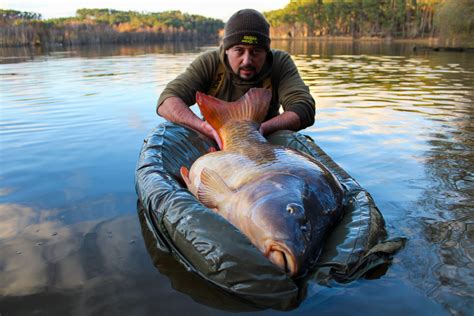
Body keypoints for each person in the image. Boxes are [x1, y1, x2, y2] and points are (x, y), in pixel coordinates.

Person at [156, 9, 315, 148]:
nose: (247, 61)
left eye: (256, 51)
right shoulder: (210, 63)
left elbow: (303, 107)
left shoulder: (280, 63)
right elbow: (167, 101)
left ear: (266, 52)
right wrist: (204, 128)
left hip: (266, 140)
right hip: (216, 139)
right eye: (239, 50)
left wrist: (261, 130)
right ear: (226, 49)